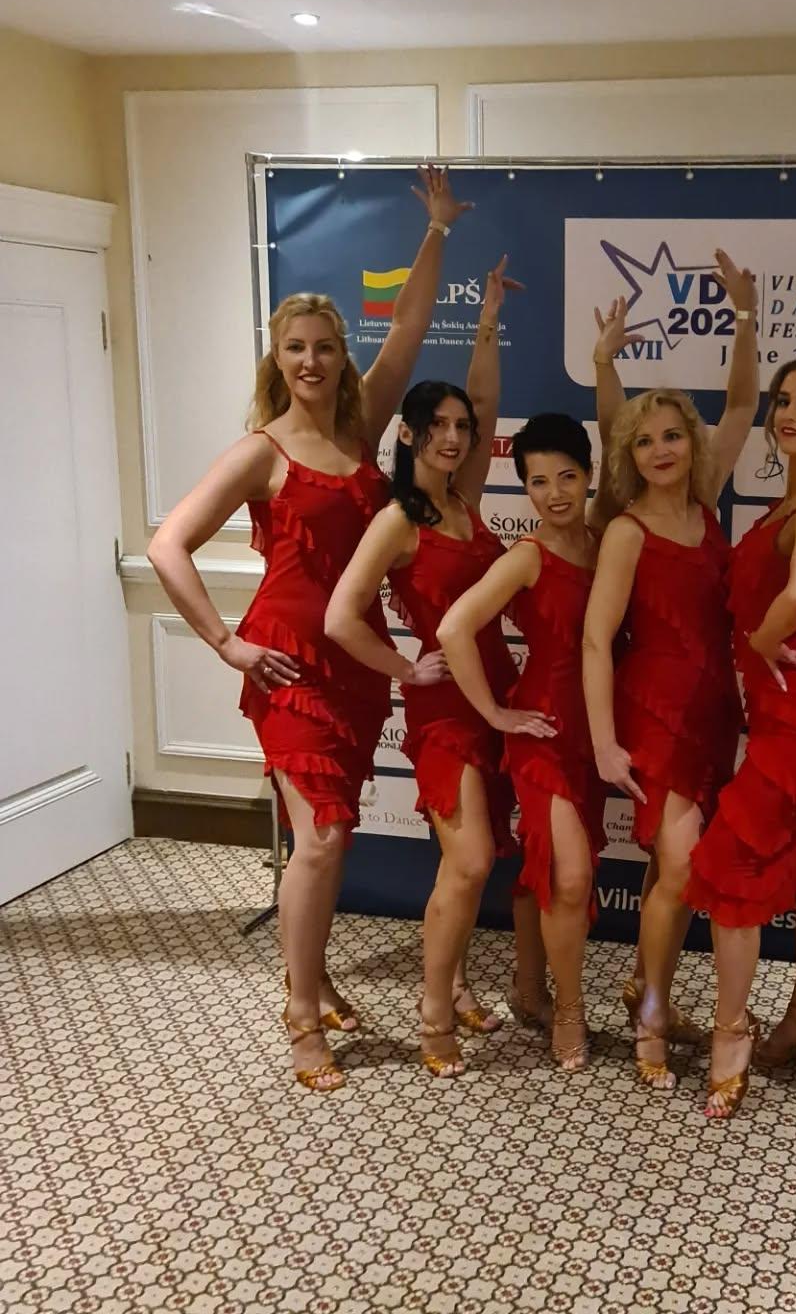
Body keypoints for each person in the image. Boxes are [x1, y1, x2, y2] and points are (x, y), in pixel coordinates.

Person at [147, 166, 469, 1091]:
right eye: (296, 348)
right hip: (285, 664)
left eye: (325, 347)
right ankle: (299, 1009)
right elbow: (168, 545)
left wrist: (437, 230)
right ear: (277, 360)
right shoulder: (262, 450)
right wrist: (227, 642)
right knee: (323, 836)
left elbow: (408, 331)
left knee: (327, 835)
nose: (313, 362)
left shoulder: (363, 434)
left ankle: (315, 975)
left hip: (357, 664)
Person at [325, 259, 551, 1078]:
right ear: (410, 435)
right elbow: (340, 616)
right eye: (439, 426)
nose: (455, 436)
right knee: (471, 859)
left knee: (468, 859)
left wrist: (487, 318)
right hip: (445, 709)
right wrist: (401, 667)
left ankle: (453, 986)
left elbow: (486, 400)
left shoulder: (463, 500)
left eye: (461, 427)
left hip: (494, 693)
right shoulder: (398, 518)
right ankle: (432, 1012)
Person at [582, 250, 763, 1088]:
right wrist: (604, 744)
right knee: (682, 866)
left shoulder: (706, 503)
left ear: (691, 444)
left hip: (714, 710)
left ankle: (641, 987)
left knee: (672, 870)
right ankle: (651, 1016)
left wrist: (746, 318)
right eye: (644, 439)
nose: (660, 449)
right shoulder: (625, 530)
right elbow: (596, 643)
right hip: (652, 712)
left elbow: (742, 404)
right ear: (630, 451)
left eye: (672, 435)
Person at [684, 350, 796, 1118]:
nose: (787, 413)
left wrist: (760, 640)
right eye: (782, 400)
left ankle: (732, 1036)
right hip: (787, 714)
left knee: (730, 877)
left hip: (795, 721)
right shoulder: (795, 498)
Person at [436, 404, 618, 1072]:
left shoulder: (605, 541)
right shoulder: (526, 556)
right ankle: (568, 1011)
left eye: (567, 476)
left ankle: (528, 987)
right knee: (570, 877)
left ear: (590, 474)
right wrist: (495, 713)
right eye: (538, 482)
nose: (554, 493)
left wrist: (602, 366)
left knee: (548, 868)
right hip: (543, 730)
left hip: (597, 729)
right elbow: (454, 628)